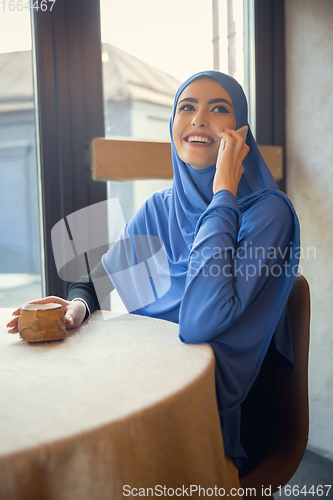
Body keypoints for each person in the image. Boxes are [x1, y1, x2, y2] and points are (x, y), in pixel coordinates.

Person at [7, 71, 300, 472]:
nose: (198, 119)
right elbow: (95, 281)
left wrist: (223, 194)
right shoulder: (161, 207)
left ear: (241, 133)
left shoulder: (270, 212)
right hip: (154, 379)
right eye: (186, 107)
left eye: (218, 109)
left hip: (228, 405)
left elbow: (201, 322)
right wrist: (77, 305)